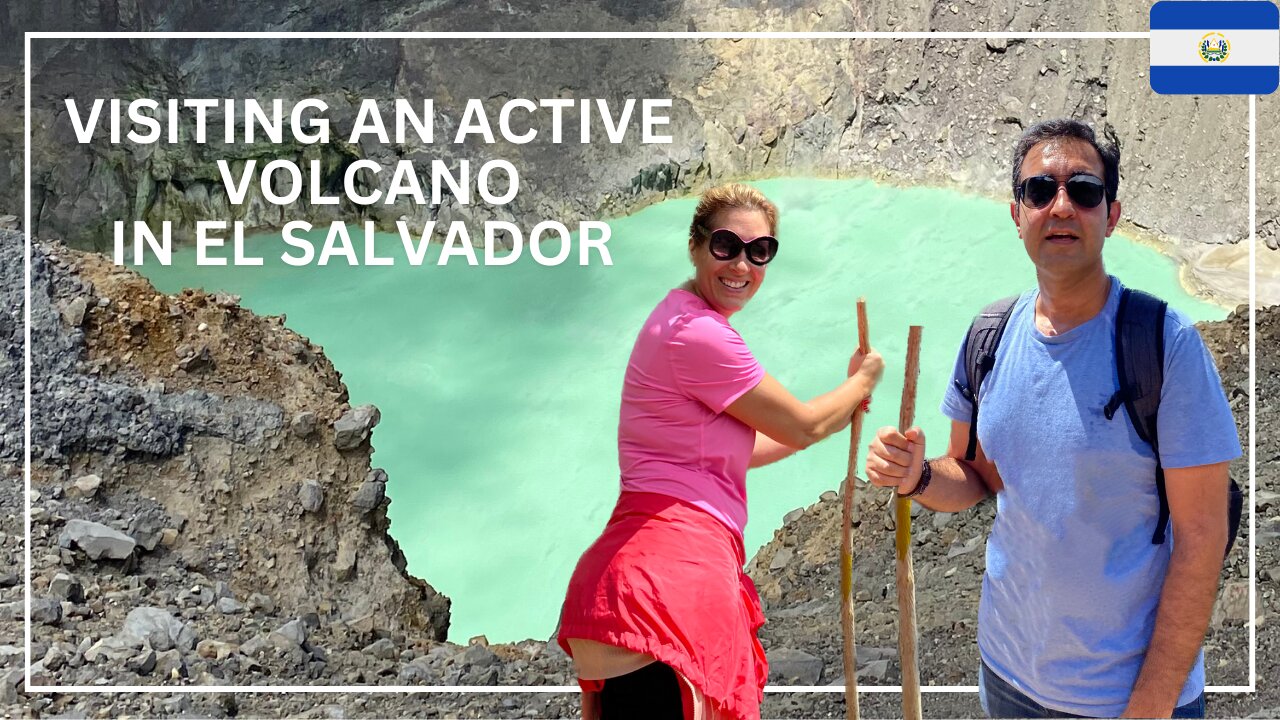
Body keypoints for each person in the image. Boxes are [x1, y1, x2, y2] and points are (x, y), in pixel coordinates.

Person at [865, 119, 1241, 719]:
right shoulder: (991, 335)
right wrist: (918, 476)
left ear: (1111, 215)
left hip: (1120, 697)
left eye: (1083, 191)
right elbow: (979, 476)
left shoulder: (1164, 346)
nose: (1060, 206)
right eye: (1040, 191)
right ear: (1017, 214)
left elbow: (1201, 538)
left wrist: (1149, 706)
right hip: (1008, 675)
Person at [557, 183, 885, 720]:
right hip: (664, 594)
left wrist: (839, 412)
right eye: (726, 246)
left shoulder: (675, 318)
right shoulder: (700, 335)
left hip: (622, 589)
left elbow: (740, 449)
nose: (743, 265)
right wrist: (863, 380)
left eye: (760, 252)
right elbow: (802, 425)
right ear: (695, 245)